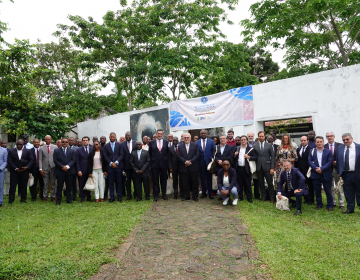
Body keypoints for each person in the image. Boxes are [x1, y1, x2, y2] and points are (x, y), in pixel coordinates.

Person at [336, 133, 360, 214]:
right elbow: (338, 160)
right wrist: (339, 172)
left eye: (347, 139)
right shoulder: (340, 148)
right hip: (346, 174)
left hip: (357, 173)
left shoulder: (358, 147)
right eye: (344, 140)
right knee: (348, 192)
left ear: (352, 138)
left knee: (359, 191)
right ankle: (350, 208)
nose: (345, 141)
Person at [308, 136, 334, 211]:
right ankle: (319, 204)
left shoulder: (328, 151)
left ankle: (330, 205)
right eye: (318, 142)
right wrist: (316, 169)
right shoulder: (312, 151)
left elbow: (330, 162)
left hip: (326, 173)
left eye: (321, 141)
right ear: (315, 143)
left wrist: (322, 169)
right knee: (317, 190)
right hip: (315, 174)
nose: (319, 143)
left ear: (323, 142)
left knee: (328, 190)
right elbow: (309, 161)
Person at [8, 140, 35, 204]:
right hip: (14, 172)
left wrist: (27, 167)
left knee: (24, 186)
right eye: (18, 144)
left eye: (20, 144)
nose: (19, 145)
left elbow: (31, 160)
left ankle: (23, 199)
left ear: (23, 144)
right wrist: (16, 168)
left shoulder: (28, 151)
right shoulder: (11, 151)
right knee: (12, 186)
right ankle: (11, 200)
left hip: (24, 171)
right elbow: (10, 161)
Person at [253, 131, 276, 203]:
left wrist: (272, 168)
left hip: (268, 167)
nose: (261, 137)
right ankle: (263, 196)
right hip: (259, 167)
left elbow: (272, 157)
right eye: (260, 136)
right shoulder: (255, 145)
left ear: (264, 136)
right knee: (261, 183)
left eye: (262, 136)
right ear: (258, 136)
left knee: (270, 183)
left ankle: (272, 197)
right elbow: (254, 156)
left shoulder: (269, 145)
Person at [233, 135, 257, 203]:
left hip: (246, 169)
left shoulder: (250, 149)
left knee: (248, 184)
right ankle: (240, 197)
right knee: (239, 184)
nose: (243, 141)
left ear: (247, 140)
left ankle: (249, 197)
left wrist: (249, 157)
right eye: (242, 140)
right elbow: (233, 158)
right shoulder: (237, 148)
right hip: (238, 168)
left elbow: (255, 157)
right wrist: (234, 155)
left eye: (244, 140)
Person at [53, 137, 76, 205]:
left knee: (69, 186)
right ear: (61, 143)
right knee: (59, 186)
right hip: (60, 171)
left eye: (66, 142)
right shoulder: (56, 150)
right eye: (63, 142)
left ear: (68, 143)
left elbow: (73, 160)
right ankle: (58, 200)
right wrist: (62, 167)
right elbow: (55, 160)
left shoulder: (71, 151)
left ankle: (68, 199)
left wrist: (67, 167)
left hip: (69, 171)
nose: (64, 143)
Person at [324, 132, 344, 209]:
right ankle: (333, 202)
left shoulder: (340, 146)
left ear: (334, 137)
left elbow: (343, 157)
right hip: (328, 169)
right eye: (328, 136)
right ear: (326, 138)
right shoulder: (324, 147)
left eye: (331, 136)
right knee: (330, 187)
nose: (329, 137)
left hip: (338, 169)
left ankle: (341, 203)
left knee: (339, 186)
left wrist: (337, 162)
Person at [178, 133, 200, 201]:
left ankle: (195, 196)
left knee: (194, 182)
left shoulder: (195, 145)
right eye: (185, 138)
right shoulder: (180, 146)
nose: (186, 139)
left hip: (193, 167)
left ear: (190, 138)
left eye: (188, 137)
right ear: (183, 139)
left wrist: (190, 162)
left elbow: (197, 155)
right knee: (185, 183)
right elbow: (178, 156)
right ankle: (186, 196)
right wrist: (185, 162)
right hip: (184, 167)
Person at [149, 129, 169, 201]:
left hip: (164, 164)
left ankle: (164, 194)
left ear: (163, 135)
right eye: (158, 133)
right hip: (155, 165)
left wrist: (167, 164)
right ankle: (156, 195)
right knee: (155, 180)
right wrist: (150, 165)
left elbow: (167, 154)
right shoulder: (152, 142)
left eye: (161, 134)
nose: (159, 135)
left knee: (164, 180)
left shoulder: (166, 142)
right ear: (156, 134)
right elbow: (150, 154)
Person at [103, 132, 124, 202]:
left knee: (119, 182)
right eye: (111, 137)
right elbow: (105, 156)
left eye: (113, 137)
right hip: (110, 167)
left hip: (118, 167)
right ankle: (112, 197)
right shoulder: (106, 146)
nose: (112, 138)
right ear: (109, 137)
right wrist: (111, 163)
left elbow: (121, 154)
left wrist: (116, 162)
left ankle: (119, 196)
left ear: (115, 137)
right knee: (111, 183)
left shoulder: (119, 145)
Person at [295, 136, 314, 205]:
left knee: (310, 185)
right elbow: (297, 160)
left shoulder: (311, 149)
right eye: (302, 141)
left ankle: (311, 200)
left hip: (308, 170)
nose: (303, 142)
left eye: (304, 140)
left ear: (307, 141)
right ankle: (306, 199)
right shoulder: (298, 149)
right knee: (303, 185)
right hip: (300, 171)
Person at [196, 130, 216, 199]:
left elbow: (214, 151)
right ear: (200, 134)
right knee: (202, 178)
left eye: (204, 133)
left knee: (209, 178)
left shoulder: (211, 141)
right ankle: (204, 193)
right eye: (202, 133)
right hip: (200, 163)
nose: (203, 134)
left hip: (209, 163)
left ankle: (210, 193)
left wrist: (212, 159)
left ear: (206, 134)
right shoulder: (197, 142)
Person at [39, 135, 57, 202]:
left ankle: (53, 197)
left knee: (52, 183)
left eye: (49, 139)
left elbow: (56, 158)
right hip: (45, 168)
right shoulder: (41, 148)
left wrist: (56, 167)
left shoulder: (55, 147)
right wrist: (40, 169)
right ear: (45, 140)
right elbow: (40, 159)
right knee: (45, 183)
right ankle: (44, 197)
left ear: (51, 139)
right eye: (46, 139)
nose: (47, 140)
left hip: (53, 167)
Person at [76, 136, 93, 202]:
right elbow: (77, 161)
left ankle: (89, 197)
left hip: (90, 170)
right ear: (82, 141)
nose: (85, 141)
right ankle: (82, 197)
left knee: (89, 184)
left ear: (89, 141)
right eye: (84, 140)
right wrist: (78, 170)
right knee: (81, 184)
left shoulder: (92, 149)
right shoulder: (79, 149)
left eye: (86, 140)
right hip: (82, 170)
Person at [121, 131, 137, 200]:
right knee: (128, 181)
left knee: (136, 181)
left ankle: (136, 194)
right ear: (125, 137)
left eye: (129, 135)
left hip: (134, 166)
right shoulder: (122, 144)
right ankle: (129, 195)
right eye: (126, 136)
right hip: (126, 166)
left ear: (131, 136)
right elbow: (122, 155)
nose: (128, 137)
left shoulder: (135, 143)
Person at [247, 132, 260, 200]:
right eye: (249, 136)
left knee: (256, 181)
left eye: (251, 136)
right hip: (247, 165)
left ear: (253, 136)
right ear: (247, 136)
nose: (250, 137)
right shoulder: (244, 144)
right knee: (247, 181)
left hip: (255, 165)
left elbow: (258, 155)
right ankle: (248, 194)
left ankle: (256, 195)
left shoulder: (257, 144)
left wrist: (250, 157)